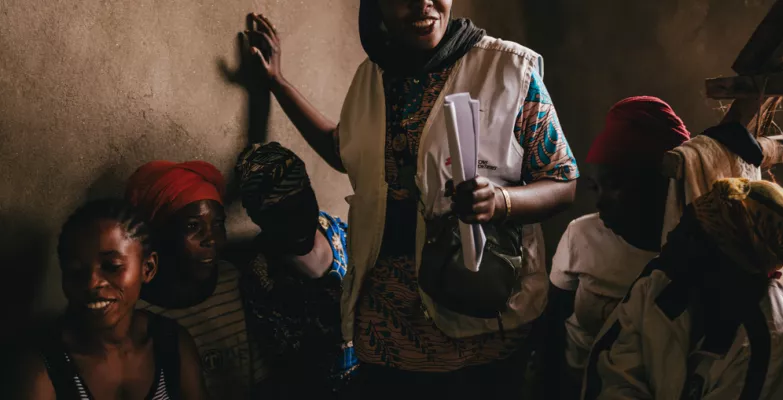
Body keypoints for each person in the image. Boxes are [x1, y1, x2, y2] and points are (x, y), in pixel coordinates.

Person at [243, 0, 578, 395]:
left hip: (477, 330)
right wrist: (278, 83)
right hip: (384, 335)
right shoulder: (371, 77)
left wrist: (501, 202)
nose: (424, 3)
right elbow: (343, 149)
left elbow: (562, 180)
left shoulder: (507, 70)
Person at [583, 178, 783, 400]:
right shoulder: (660, 285)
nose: (673, 237)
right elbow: (612, 378)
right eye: (683, 223)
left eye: (693, 235)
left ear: (734, 262)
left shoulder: (766, 343)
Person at [546, 96, 690, 396]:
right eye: (595, 186)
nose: (599, 202)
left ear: (657, 184)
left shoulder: (693, 252)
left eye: (614, 185)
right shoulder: (582, 236)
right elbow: (551, 329)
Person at [17, 199, 208, 399]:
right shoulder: (44, 367)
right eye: (75, 270)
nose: (92, 284)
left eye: (112, 266)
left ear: (148, 268)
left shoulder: (171, 345)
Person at [125, 161, 265, 398]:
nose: (211, 239)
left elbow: (262, 378)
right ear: (158, 233)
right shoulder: (136, 312)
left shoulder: (230, 281)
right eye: (193, 226)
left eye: (218, 224)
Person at [235, 141, 358, 398]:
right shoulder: (262, 276)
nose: (298, 222)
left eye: (303, 203)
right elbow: (289, 369)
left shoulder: (338, 230)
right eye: (279, 215)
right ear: (258, 219)